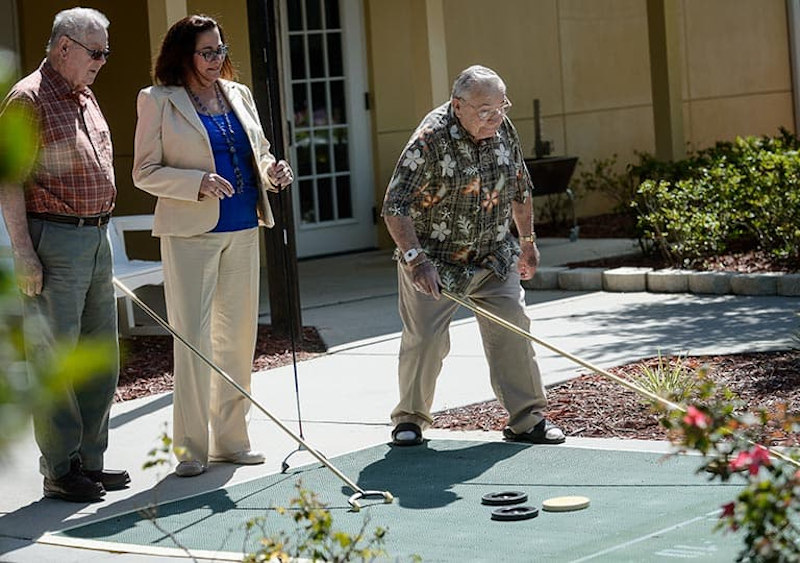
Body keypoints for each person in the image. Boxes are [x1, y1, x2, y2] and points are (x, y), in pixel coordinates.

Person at [132, 15, 293, 477]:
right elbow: (144, 172)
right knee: (193, 341)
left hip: (243, 226)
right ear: (183, 55)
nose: (216, 59)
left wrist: (273, 172)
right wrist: (196, 182)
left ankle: (232, 441)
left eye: (220, 50)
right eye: (206, 52)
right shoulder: (157, 100)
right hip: (191, 234)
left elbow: (259, 154)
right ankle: (191, 449)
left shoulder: (238, 94)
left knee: (238, 339)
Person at [382, 65, 565, 447]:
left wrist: (527, 241)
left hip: (493, 255)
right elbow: (394, 205)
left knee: (513, 327)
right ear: (458, 105)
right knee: (426, 340)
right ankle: (410, 419)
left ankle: (528, 419)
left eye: (501, 107)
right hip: (436, 260)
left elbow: (520, 187)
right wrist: (417, 260)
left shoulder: (502, 128)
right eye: (485, 110)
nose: (495, 117)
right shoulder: (430, 138)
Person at [0, 7, 129, 502]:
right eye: (96, 52)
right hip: (53, 240)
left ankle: (89, 461)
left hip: (95, 237)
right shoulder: (28, 98)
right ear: (63, 48)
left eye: (106, 53)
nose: (103, 61)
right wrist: (23, 253)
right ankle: (60, 468)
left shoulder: (84, 94)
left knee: (99, 358)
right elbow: (9, 180)